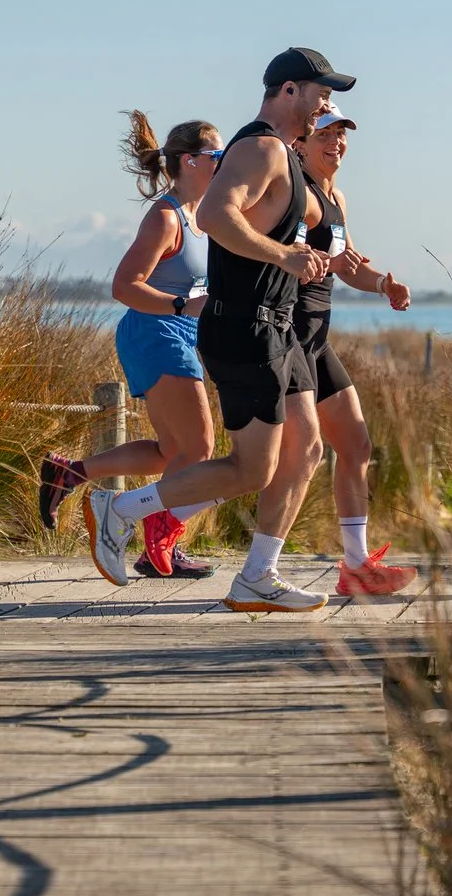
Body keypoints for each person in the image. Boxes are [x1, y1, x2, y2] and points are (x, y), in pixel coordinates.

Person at [80, 48, 347, 613]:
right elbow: (215, 216)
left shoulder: (288, 158)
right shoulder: (260, 147)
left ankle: (258, 575)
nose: (327, 104)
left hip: (281, 326)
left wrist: (328, 249)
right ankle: (119, 511)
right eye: (321, 92)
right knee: (252, 468)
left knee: (307, 452)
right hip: (243, 326)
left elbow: (307, 222)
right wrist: (286, 256)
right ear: (289, 91)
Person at [36, 114, 224, 578]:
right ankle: (149, 536)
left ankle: (72, 472)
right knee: (199, 448)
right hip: (155, 332)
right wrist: (183, 306)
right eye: (216, 156)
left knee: (170, 450)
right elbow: (124, 285)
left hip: (174, 334)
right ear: (190, 161)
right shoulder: (166, 216)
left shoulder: (205, 215)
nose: (224, 163)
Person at [253, 107, 420, 598]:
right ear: (301, 141)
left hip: (316, 340)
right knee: (273, 458)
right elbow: (278, 253)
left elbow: (346, 265)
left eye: (341, 135)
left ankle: (355, 567)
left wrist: (384, 284)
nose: (336, 143)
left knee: (356, 446)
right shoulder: (292, 191)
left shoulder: (335, 197)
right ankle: (159, 513)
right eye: (324, 134)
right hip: (284, 334)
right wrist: (326, 261)